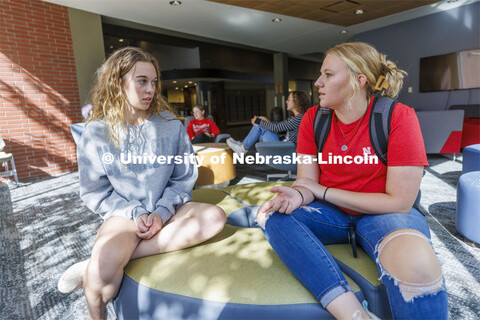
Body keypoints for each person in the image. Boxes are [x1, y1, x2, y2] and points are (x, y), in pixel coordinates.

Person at [257, 42, 448, 320]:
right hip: (331, 214)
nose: (318, 82)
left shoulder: (398, 117)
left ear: (359, 81)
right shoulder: (313, 119)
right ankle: (354, 314)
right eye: (320, 75)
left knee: (417, 263)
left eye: (328, 75)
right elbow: (306, 183)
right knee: (273, 215)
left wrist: (323, 191)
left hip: (385, 214)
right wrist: (296, 196)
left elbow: (400, 201)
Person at [57, 47, 226, 319]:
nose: (151, 89)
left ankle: (96, 262)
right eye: (142, 81)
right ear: (117, 82)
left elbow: (183, 179)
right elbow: (95, 191)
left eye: (154, 81)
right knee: (101, 280)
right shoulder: (96, 131)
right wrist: (135, 213)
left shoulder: (171, 125)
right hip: (124, 215)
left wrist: (160, 213)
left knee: (215, 217)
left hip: (168, 211)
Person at [226, 91, 311, 155]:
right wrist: (263, 119)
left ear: (297, 102)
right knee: (261, 124)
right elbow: (278, 128)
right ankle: (243, 146)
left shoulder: (300, 118)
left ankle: (243, 148)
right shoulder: (295, 117)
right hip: (285, 145)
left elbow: (276, 128)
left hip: (287, 149)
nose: (286, 101)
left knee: (260, 125)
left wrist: (259, 121)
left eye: (289, 99)